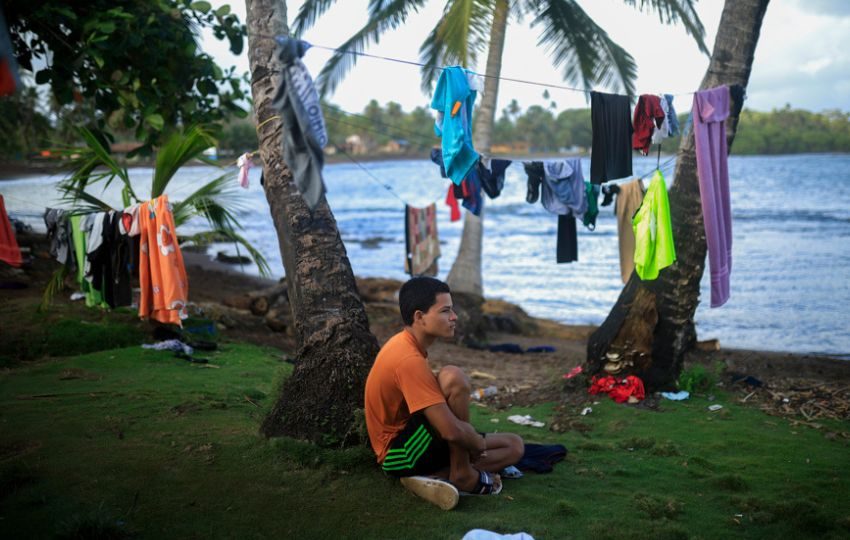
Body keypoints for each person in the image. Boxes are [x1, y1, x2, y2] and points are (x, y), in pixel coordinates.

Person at [364, 276, 524, 508]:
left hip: (419, 436)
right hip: (398, 452)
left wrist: (471, 439)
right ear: (419, 317)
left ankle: (440, 476)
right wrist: (474, 442)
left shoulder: (410, 346)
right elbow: (449, 431)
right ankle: (462, 474)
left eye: (453, 310)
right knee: (453, 377)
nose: (454, 317)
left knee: (514, 446)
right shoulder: (407, 358)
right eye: (445, 311)